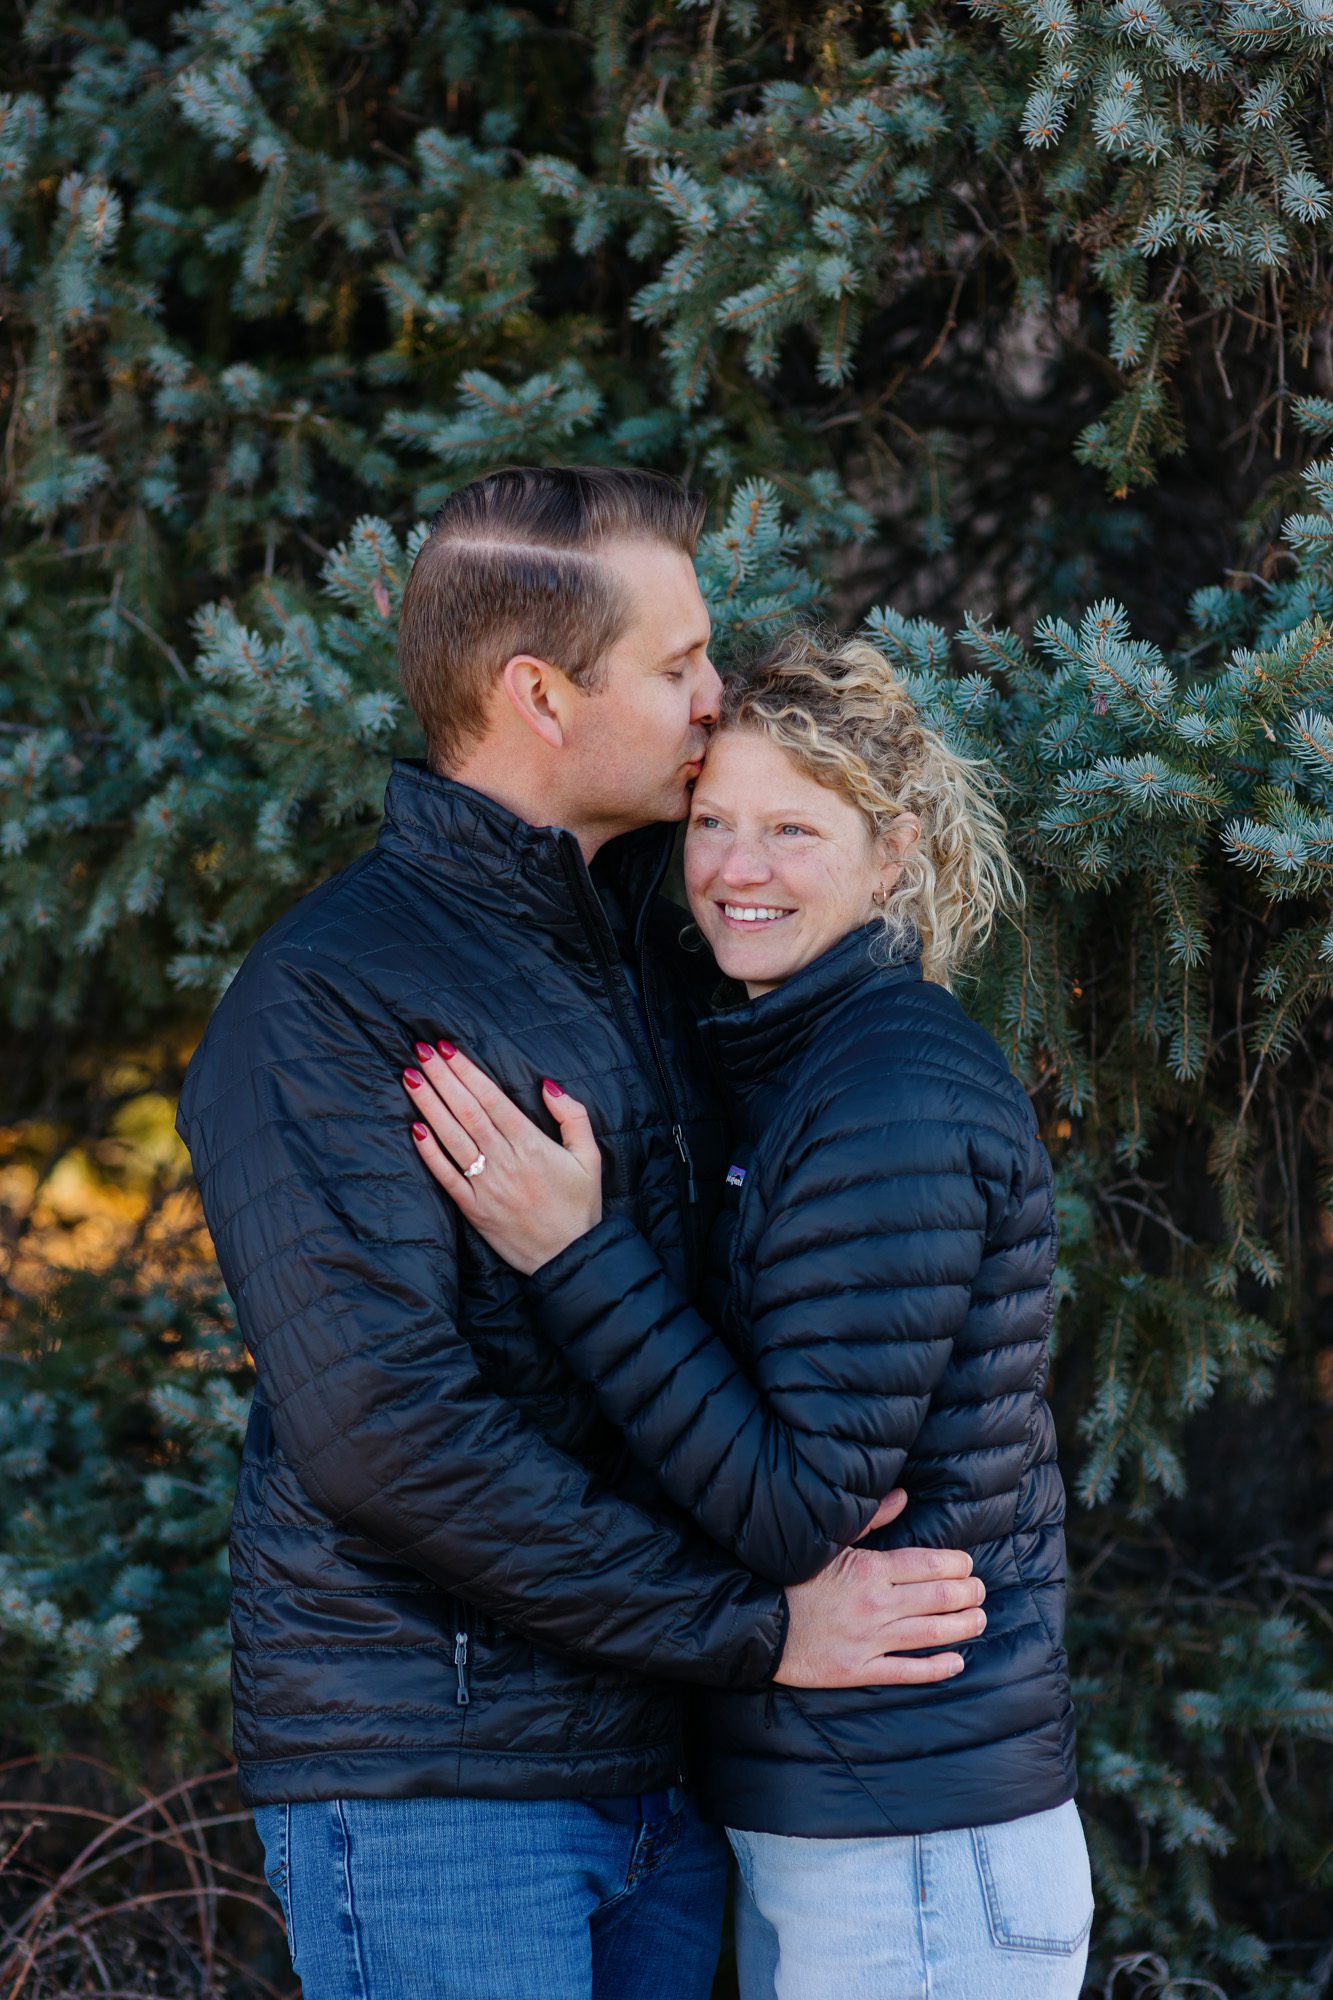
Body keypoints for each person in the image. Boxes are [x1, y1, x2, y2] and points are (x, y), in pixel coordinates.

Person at [174, 469, 989, 2000]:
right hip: (441, 1776)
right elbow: (384, 1432)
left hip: (657, 1769)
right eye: (678, 663)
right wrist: (752, 1629)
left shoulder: (664, 945)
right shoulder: (330, 997)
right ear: (540, 693)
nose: (713, 696)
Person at [400, 626, 1091, 2000]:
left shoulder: (888, 1092)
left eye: (791, 828)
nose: (735, 870)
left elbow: (793, 1512)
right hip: (841, 1821)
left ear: (891, 851)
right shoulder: (794, 1068)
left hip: (913, 1847)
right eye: (712, 822)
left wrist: (574, 1253)